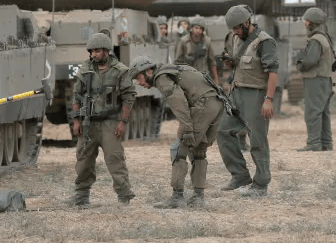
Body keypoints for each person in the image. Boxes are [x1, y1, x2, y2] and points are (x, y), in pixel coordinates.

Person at [128, 56, 224, 208]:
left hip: (203, 105)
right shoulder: (173, 70)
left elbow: (179, 102)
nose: (138, 83)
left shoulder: (161, 78)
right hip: (216, 104)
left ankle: (177, 197)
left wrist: (187, 129)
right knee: (199, 150)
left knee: (178, 150)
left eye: (138, 77)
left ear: (148, 71)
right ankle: (198, 197)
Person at [217, 4, 278, 196]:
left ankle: (261, 184)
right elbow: (238, 65)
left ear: (246, 22)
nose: (234, 32)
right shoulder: (235, 38)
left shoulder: (264, 41)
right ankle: (240, 175)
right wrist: (230, 62)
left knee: (257, 139)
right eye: (232, 29)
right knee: (222, 131)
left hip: (256, 95)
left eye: (237, 28)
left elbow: (273, 72)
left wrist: (268, 99)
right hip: (236, 93)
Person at [71, 32, 136, 206]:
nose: (94, 54)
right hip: (89, 123)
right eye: (91, 51)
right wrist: (76, 121)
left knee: (115, 159)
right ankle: (81, 195)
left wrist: (123, 122)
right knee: (83, 159)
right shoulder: (85, 69)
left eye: (97, 51)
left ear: (107, 51)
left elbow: (128, 98)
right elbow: (76, 95)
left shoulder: (120, 71)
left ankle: (124, 196)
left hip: (110, 122)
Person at [295, 7, 335, 152]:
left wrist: (299, 64)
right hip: (325, 79)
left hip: (315, 79)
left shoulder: (316, 40)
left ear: (312, 22)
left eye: (307, 21)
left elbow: (310, 60)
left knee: (312, 112)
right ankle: (326, 143)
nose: (305, 23)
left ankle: (313, 143)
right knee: (323, 112)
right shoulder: (324, 37)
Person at [175, 17, 219, 84]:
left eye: (200, 28)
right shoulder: (184, 41)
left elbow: (212, 61)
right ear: (191, 28)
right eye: (196, 28)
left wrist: (215, 78)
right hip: (188, 75)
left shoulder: (207, 41)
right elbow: (178, 61)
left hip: (203, 75)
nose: (198, 30)